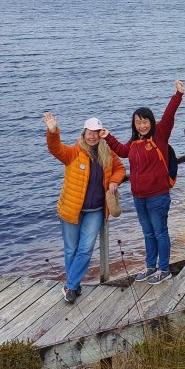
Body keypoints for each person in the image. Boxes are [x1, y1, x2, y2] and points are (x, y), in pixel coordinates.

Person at [101, 81, 184, 285]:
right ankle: (150, 267)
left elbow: (169, 116)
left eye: (145, 121)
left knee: (160, 232)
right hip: (139, 197)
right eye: (138, 122)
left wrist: (178, 95)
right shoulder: (135, 143)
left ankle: (164, 269)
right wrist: (107, 136)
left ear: (151, 122)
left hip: (158, 196)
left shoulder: (160, 136)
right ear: (134, 124)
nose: (142, 125)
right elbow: (122, 151)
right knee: (148, 233)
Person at [43, 113, 126, 303]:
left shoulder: (108, 153)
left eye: (97, 132)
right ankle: (74, 284)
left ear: (101, 134)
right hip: (71, 209)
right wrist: (53, 130)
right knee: (71, 249)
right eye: (90, 132)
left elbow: (120, 169)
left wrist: (114, 181)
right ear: (84, 132)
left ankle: (70, 286)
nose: (93, 136)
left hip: (96, 210)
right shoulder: (74, 152)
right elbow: (55, 148)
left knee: (86, 248)